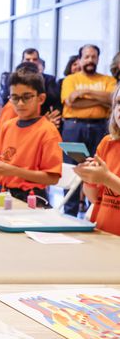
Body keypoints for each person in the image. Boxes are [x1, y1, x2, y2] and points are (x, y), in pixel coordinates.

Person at [0, 70, 62, 203]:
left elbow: (52, 178)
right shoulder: (7, 126)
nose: (20, 103)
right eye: (14, 97)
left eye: (27, 97)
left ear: (41, 99)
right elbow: (2, 158)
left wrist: (14, 171)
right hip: (3, 192)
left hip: (32, 198)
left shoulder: (47, 131)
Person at [60, 44, 116, 215]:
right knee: (72, 169)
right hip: (74, 127)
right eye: (87, 56)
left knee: (98, 167)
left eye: (94, 56)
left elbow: (112, 98)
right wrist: (101, 100)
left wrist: (84, 91)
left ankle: (96, 213)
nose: (90, 60)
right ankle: (69, 214)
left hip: (101, 127)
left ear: (98, 59)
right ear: (80, 59)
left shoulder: (108, 80)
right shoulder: (70, 80)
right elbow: (71, 102)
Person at [75, 86, 120, 235]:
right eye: (118, 103)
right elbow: (95, 198)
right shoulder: (108, 142)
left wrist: (106, 178)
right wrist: (89, 179)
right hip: (102, 232)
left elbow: (107, 180)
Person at [22, 48, 61, 128]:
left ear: (39, 62)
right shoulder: (14, 79)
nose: (31, 62)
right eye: (28, 60)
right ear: (23, 61)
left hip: (45, 120)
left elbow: (54, 99)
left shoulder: (49, 80)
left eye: (35, 59)